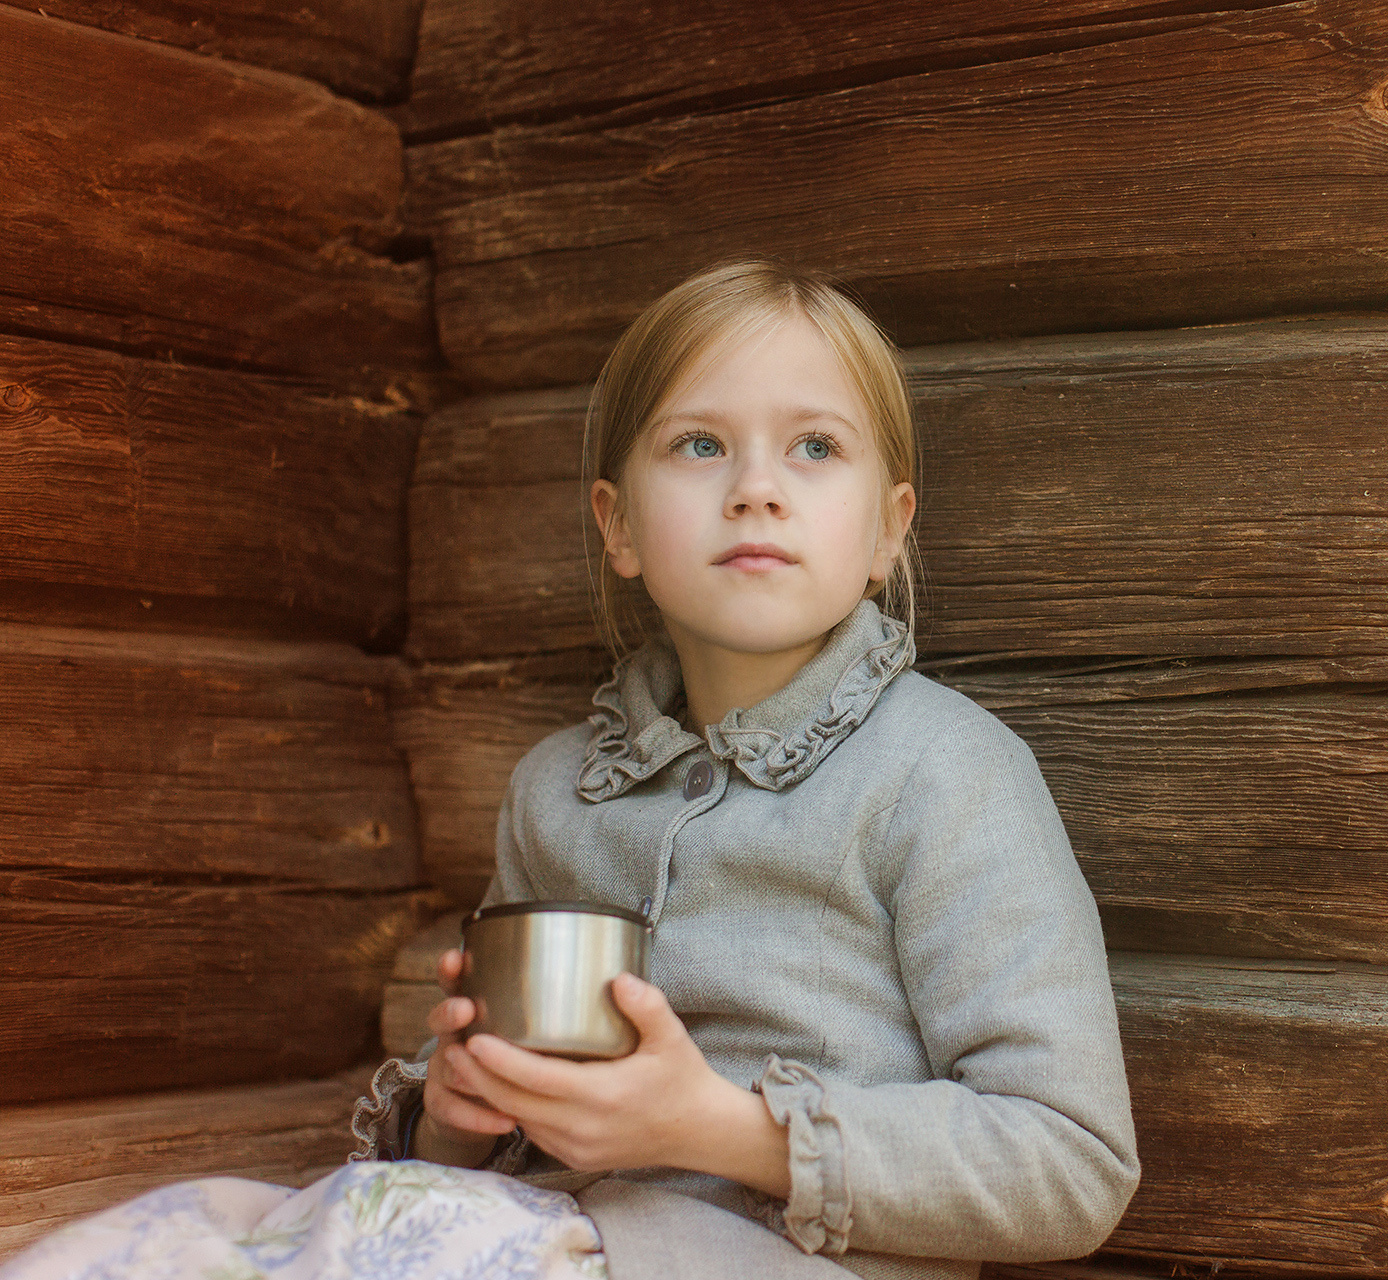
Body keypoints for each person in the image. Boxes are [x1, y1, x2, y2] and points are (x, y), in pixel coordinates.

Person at [0, 259, 1138, 1280]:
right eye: (700, 443)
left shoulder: (947, 773)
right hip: (536, 1236)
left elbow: (1073, 1160)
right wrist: (456, 1112)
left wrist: (719, 1128)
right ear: (618, 524)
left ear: (889, 532)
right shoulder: (558, 791)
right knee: (172, 1238)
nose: (755, 485)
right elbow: (509, 1120)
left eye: (815, 446)